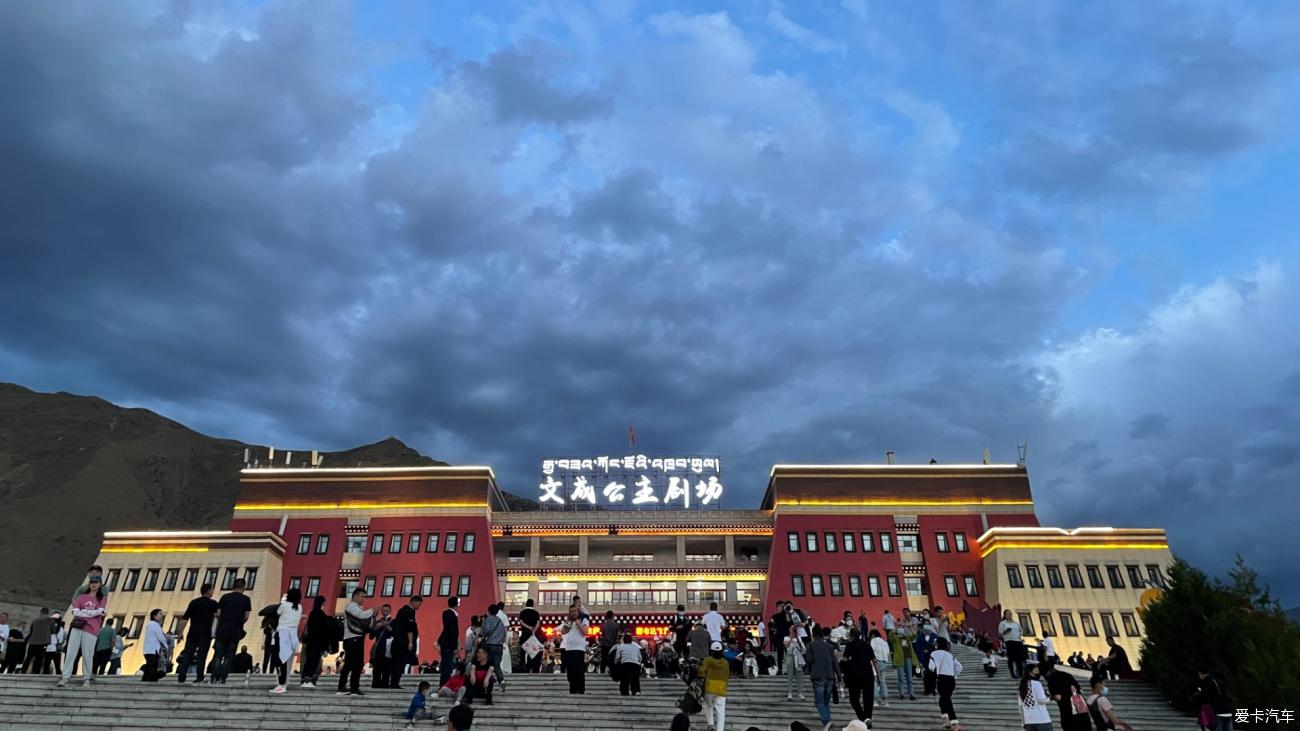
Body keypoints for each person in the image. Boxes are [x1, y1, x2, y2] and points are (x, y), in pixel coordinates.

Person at [57, 575, 107, 688]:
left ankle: (86, 678)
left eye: (96, 582)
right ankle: (65, 677)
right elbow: (75, 611)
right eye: (92, 582)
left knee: (88, 654)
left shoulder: (102, 598)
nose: (94, 584)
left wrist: (84, 612)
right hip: (77, 626)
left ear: (100, 584)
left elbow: (100, 611)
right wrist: (91, 613)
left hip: (92, 629)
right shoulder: (81, 597)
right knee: (70, 652)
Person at [339, 587, 379, 695]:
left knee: (352, 664)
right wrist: (372, 611)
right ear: (355, 596)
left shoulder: (358, 607)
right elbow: (361, 615)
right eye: (362, 596)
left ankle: (348, 687)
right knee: (353, 664)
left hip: (356, 638)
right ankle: (350, 687)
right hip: (353, 638)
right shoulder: (351, 606)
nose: (363, 599)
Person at [176, 583, 219, 683]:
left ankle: (182, 675)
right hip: (205, 632)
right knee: (202, 655)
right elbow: (218, 615)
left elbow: (185, 618)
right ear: (208, 591)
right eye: (212, 590)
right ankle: (199, 676)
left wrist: (180, 633)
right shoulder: (213, 603)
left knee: (188, 654)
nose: (212, 592)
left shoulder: (193, 602)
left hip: (193, 632)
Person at [211, 578, 251, 684]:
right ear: (243, 587)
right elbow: (246, 616)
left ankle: (214, 676)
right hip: (235, 630)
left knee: (218, 655)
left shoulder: (224, 597)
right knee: (229, 655)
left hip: (223, 629)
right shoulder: (246, 599)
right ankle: (223, 677)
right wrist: (239, 621)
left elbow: (218, 613)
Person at [268, 587, 303, 694]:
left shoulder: (285, 605)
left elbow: (278, 612)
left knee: (279, 661)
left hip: (283, 634)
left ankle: (281, 685)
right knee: (287, 661)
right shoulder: (300, 607)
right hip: (293, 635)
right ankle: (284, 683)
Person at [808, 626, 841, 731]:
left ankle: (827, 721)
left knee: (818, 701)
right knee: (825, 701)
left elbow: (809, 660)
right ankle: (828, 721)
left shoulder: (810, 645)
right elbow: (835, 663)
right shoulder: (829, 646)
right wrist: (840, 677)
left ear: (812, 634)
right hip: (830, 676)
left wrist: (810, 669)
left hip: (817, 675)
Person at [842, 629, 877, 727]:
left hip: (854, 675)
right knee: (868, 699)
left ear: (851, 636)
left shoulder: (850, 645)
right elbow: (874, 660)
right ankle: (868, 718)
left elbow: (845, 659)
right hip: (868, 674)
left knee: (854, 699)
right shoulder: (867, 645)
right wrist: (878, 675)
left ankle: (863, 718)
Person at [389, 595, 423, 690]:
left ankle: (393, 682)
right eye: (418, 604)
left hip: (396, 641)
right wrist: (410, 642)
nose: (418, 607)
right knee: (400, 663)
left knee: (396, 662)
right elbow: (410, 628)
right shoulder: (409, 612)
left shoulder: (401, 611)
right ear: (414, 602)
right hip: (403, 642)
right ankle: (395, 683)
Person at [928, 637, 962, 729]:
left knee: (946, 700)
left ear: (938, 644)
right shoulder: (950, 655)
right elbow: (959, 667)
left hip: (942, 679)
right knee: (944, 699)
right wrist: (955, 675)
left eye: (936, 643)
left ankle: (955, 724)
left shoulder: (934, 653)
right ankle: (946, 720)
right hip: (951, 680)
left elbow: (931, 667)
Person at [300, 595, 334, 687]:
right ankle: (308, 680)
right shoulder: (320, 614)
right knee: (314, 662)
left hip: (310, 641)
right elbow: (323, 631)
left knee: (309, 661)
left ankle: (304, 680)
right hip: (317, 643)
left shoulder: (312, 613)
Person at [1045, 659, 1086, 731]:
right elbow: (1080, 690)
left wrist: (1051, 697)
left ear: (1047, 672)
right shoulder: (1067, 675)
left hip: (1067, 713)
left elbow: (1058, 697)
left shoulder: (1051, 678)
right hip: (1080, 710)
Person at [559, 605, 590, 694]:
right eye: (571, 611)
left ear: (578, 612)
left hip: (579, 649)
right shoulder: (570, 622)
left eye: (574, 611)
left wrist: (579, 624)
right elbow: (563, 632)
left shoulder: (584, 620)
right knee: (571, 671)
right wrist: (567, 620)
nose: (573, 613)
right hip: (569, 649)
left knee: (579, 670)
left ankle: (580, 690)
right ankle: (572, 690)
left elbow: (585, 632)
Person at [700, 641, 730, 731]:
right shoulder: (725, 662)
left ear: (711, 651)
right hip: (721, 689)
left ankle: (710, 724)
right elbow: (727, 676)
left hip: (709, 688)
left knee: (708, 705)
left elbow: (701, 672)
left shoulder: (707, 660)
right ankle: (720, 729)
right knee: (721, 712)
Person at [1018, 662, 1052, 731]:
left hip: (1028, 721)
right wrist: (1051, 698)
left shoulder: (1021, 687)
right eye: (1036, 671)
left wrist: (1023, 723)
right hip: (1041, 720)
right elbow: (1041, 700)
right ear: (1030, 672)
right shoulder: (1036, 683)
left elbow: (1021, 706)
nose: (1038, 673)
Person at [480, 603, 506, 688]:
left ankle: (486, 681)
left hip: (490, 645)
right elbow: (504, 633)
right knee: (497, 665)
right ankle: (501, 680)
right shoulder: (500, 621)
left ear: (489, 611)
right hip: (499, 646)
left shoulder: (488, 619)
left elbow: (486, 630)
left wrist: (482, 633)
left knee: (487, 664)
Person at [437, 597, 460, 687]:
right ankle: (444, 684)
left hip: (445, 642)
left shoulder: (446, 613)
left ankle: (444, 683)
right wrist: (454, 646)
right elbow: (452, 631)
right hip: (448, 644)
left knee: (446, 664)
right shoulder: (452, 615)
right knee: (447, 665)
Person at [141, 609, 170, 682]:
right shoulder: (155, 625)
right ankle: (151, 679)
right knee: (153, 666)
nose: (162, 615)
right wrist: (166, 646)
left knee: (150, 665)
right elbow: (161, 637)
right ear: (154, 616)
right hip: (153, 650)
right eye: (160, 614)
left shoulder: (150, 625)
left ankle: (146, 679)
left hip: (148, 649)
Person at [23, 608, 52, 674]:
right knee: (39, 658)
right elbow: (53, 631)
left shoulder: (35, 620)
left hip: (32, 642)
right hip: (43, 643)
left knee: (29, 657)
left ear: (41, 612)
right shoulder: (50, 620)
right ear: (47, 613)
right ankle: (36, 672)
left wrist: (26, 639)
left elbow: (31, 631)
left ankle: (23, 671)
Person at [999, 610, 1026, 679]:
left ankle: (1020, 673)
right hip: (1009, 641)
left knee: (1019, 658)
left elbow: (1021, 630)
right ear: (1004, 615)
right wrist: (1006, 631)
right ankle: (1012, 673)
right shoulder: (1003, 623)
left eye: (1010, 613)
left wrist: (1019, 635)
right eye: (1007, 613)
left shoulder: (1015, 623)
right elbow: (1000, 632)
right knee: (1011, 658)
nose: (1009, 615)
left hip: (1017, 641)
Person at [783, 625, 807, 701]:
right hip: (790, 656)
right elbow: (787, 645)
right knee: (790, 675)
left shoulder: (799, 638)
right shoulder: (786, 637)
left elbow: (803, 649)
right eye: (792, 629)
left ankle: (800, 693)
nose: (793, 630)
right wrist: (791, 637)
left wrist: (797, 639)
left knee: (799, 675)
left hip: (798, 656)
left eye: (794, 629)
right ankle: (790, 693)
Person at [518, 598, 542, 673]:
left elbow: (521, 622)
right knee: (531, 652)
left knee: (523, 651)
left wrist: (528, 627)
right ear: (533, 604)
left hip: (524, 633)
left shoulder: (522, 612)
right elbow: (538, 623)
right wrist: (533, 630)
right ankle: (529, 668)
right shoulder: (536, 612)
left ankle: (522, 668)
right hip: (532, 634)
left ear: (526, 604)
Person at [869, 628, 890, 707]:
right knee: (882, 680)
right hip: (884, 662)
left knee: (874, 681)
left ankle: (875, 700)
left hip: (876, 662)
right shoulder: (884, 642)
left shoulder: (873, 641)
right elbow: (888, 653)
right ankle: (885, 699)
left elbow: (871, 651)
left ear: (872, 635)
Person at [915, 624, 938, 696]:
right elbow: (917, 648)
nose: (927, 632)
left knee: (933, 674)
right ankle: (927, 689)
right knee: (925, 675)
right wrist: (919, 657)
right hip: (923, 658)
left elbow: (937, 646)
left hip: (933, 658)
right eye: (925, 631)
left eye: (928, 631)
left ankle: (933, 689)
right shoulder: (919, 637)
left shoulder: (934, 636)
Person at [770, 603, 790, 673]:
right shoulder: (775, 616)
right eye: (780, 606)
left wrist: (787, 614)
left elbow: (789, 623)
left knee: (789, 654)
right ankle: (780, 669)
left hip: (787, 636)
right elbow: (772, 625)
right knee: (780, 654)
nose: (782, 607)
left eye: (783, 606)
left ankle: (789, 669)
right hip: (779, 637)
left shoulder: (787, 615)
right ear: (777, 607)